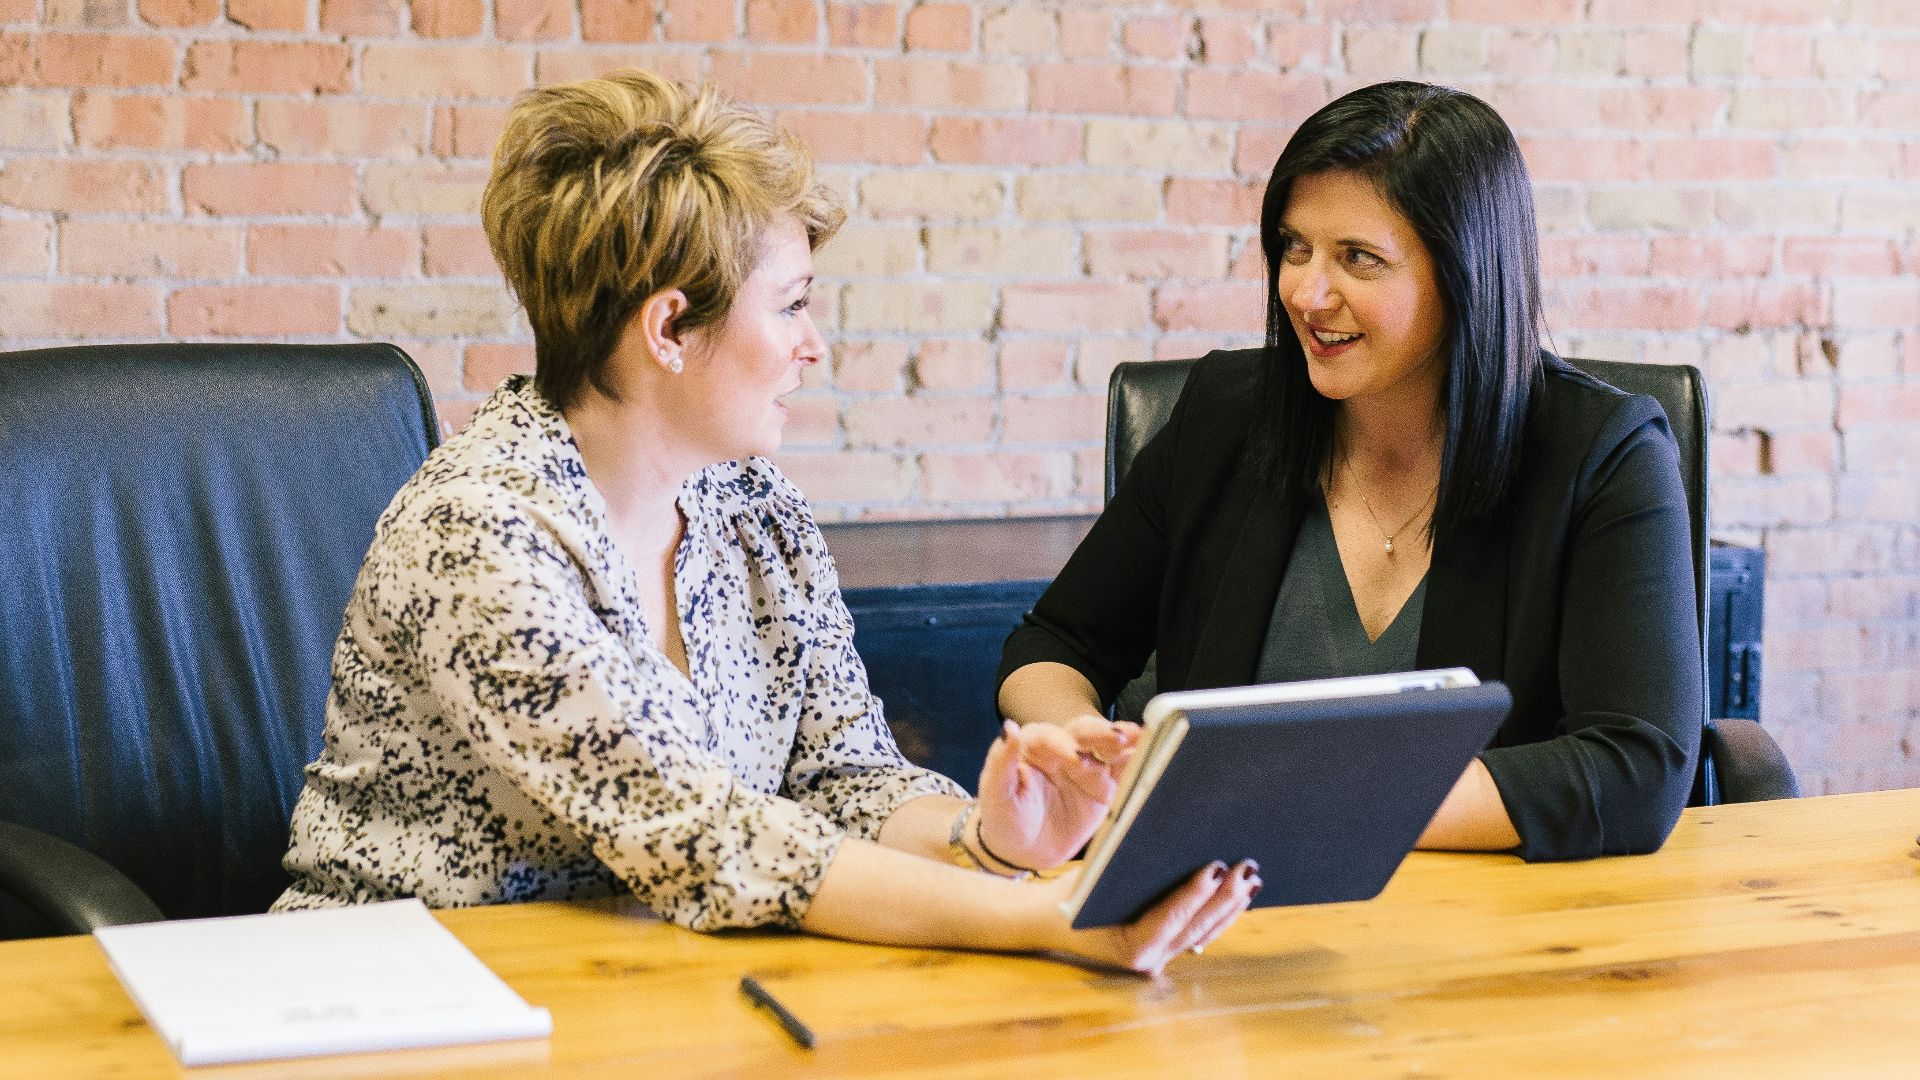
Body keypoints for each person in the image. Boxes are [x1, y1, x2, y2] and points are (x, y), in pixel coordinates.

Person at [273, 70, 1256, 974]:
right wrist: (1050, 918)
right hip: (398, 996)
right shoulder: (480, 536)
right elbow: (706, 836)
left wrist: (990, 840)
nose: (813, 346)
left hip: (652, 986)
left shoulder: (755, 507)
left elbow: (843, 774)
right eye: (790, 305)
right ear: (669, 329)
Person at [998, 81, 1703, 862]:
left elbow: (1636, 767)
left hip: (1490, 927)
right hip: (1218, 916)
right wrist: (1078, 746)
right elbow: (1054, 644)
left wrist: (1292, 804)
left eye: (1358, 259)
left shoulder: (1605, 455)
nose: (1305, 291)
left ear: (1465, 273)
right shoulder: (1226, 417)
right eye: (1295, 248)